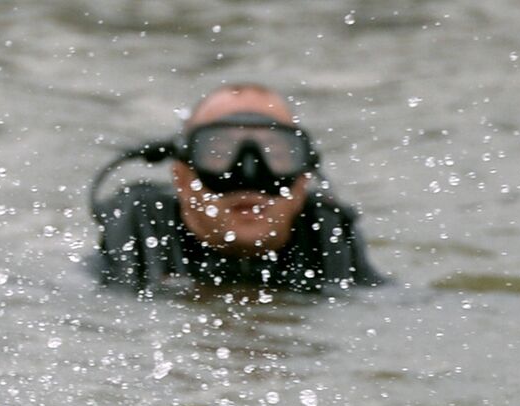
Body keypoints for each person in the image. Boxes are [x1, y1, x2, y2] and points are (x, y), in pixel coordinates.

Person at [90, 82, 384, 294]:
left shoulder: (328, 240)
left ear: (303, 179)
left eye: (275, 154)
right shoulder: (139, 238)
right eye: (219, 153)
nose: (249, 174)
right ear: (181, 178)